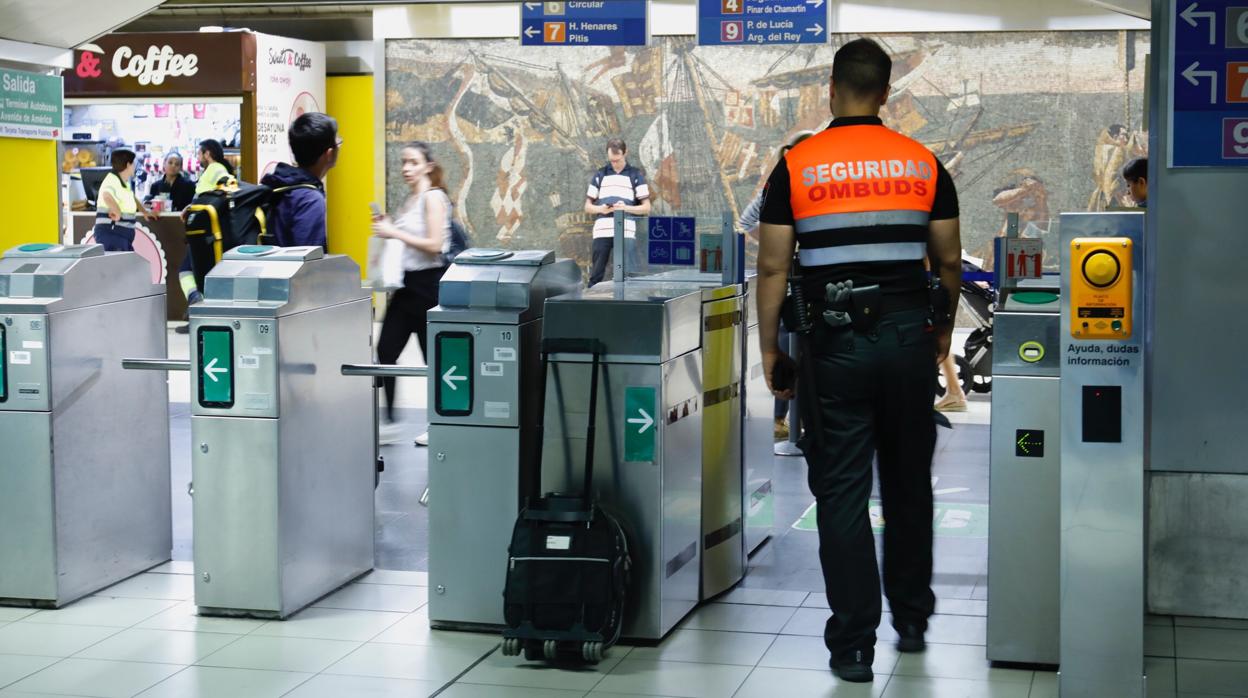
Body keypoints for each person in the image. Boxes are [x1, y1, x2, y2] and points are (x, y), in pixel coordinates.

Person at [756, 38, 962, 684]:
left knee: (841, 492)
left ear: (831, 89)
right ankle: (911, 619)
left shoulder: (797, 166)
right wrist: (938, 335)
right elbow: (949, 260)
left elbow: (771, 264)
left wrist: (770, 348)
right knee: (907, 484)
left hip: (833, 343)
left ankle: (851, 646)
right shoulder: (924, 163)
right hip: (906, 337)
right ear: (886, 94)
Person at [371, 142, 452, 446]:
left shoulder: (433, 198)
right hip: (406, 287)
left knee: (435, 359)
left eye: (413, 162)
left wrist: (394, 232)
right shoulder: (410, 200)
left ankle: (440, 423)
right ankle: (390, 420)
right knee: (386, 351)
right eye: (404, 162)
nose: (406, 168)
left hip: (428, 287)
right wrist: (389, 228)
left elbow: (434, 245)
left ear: (428, 166)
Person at [739, 130, 816, 439]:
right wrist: (780, 245)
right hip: (791, 283)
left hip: (804, 282)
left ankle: (792, 418)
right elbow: (746, 223)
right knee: (786, 345)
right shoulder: (777, 189)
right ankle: (780, 418)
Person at [174, 140, 237, 334]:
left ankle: (198, 309)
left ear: (207, 153)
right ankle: (198, 310)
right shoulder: (216, 169)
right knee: (194, 272)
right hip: (206, 232)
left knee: (188, 271)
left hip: (205, 233)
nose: (198, 158)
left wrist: (192, 208)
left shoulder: (215, 169)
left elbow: (223, 191)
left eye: (200, 154)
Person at [261, 112, 340, 250]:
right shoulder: (310, 200)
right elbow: (308, 261)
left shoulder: (280, 184)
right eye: (337, 141)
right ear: (329, 154)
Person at [585, 138, 650, 285]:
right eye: (611, 160)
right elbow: (588, 207)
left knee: (629, 273)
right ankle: (591, 299)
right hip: (602, 230)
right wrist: (602, 208)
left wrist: (625, 208)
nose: (614, 163)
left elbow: (646, 207)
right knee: (596, 273)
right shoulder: (600, 174)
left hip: (626, 229)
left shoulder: (635, 175)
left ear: (625, 153)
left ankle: (631, 301)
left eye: (617, 159)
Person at [93, 148, 157, 252]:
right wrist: (117, 211)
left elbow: (132, 197)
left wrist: (145, 212)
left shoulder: (123, 183)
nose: (135, 167)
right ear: (128, 165)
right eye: (133, 164)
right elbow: (107, 195)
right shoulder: (112, 180)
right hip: (112, 233)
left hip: (120, 234)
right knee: (122, 265)